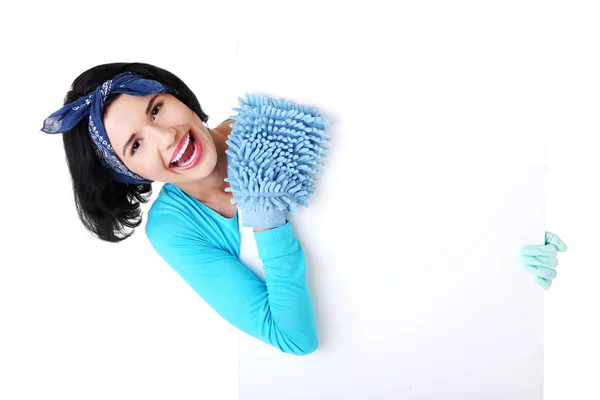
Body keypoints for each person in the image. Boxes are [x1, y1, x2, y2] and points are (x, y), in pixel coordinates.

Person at [40, 62, 565, 357]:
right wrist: (263, 210)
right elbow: (293, 336)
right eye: (135, 146)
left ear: (176, 95)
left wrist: (510, 235)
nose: (165, 136)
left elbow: (414, 185)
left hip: (434, 304)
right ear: (128, 172)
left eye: (157, 108)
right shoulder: (176, 229)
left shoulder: (276, 115)